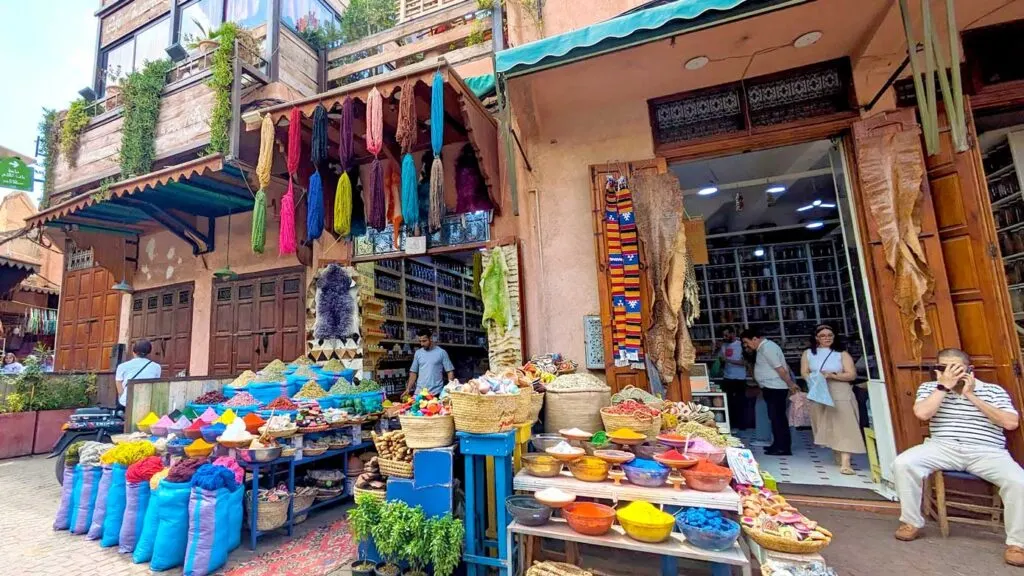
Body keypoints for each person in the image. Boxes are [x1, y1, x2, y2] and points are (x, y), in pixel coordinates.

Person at [893, 347, 1024, 567]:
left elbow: (1010, 423)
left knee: (1019, 482)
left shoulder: (993, 391)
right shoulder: (930, 388)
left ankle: (1017, 544)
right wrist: (944, 386)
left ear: (969, 370)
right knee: (903, 463)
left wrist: (971, 396)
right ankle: (911, 522)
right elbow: (923, 414)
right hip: (943, 447)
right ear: (937, 371)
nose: (951, 372)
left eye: (956, 368)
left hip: (987, 451)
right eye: (944, 368)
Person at [800, 325, 866, 475]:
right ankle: (837, 451)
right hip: (819, 391)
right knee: (825, 423)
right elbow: (804, 372)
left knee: (845, 424)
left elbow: (851, 375)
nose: (827, 338)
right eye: (822, 335)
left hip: (840, 390)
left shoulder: (841, 354)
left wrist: (833, 375)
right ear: (816, 338)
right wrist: (815, 378)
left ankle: (846, 462)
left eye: (830, 335)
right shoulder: (808, 353)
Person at [741, 327, 799, 456]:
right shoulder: (763, 348)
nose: (746, 345)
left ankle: (783, 447)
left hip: (776, 388)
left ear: (755, 339)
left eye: (747, 342)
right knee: (774, 418)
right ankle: (777, 444)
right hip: (770, 387)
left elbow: (780, 369)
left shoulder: (767, 348)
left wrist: (790, 384)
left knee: (778, 418)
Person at [404, 328, 454, 397]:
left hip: (435, 393)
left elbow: (449, 371)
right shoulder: (418, 353)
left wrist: (449, 388)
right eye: (420, 341)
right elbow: (413, 373)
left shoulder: (441, 352)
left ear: (430, 338)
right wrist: (408, 389)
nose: (422, 344)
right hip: (419, 393)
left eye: (424, 341)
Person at [717, 327, 749, 430]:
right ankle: (731, 424)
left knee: (740, 402)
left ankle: (742, 425)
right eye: (723, 335)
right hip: (727, 377)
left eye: (727, 335)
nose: (725, 337)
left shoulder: (741, 345)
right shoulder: (724, 345)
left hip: (739, 378)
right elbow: (721, 360)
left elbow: (745, 363)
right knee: (728, 402)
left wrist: (728, 360)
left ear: (733, 333)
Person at [115, 340, 161, 409]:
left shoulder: (122, 366)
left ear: (133, 352)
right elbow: (155, 384)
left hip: (126, 402)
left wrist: (123, 396)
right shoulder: (157, 367)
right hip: (147, 402)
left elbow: (119, 383)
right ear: (148, 353)